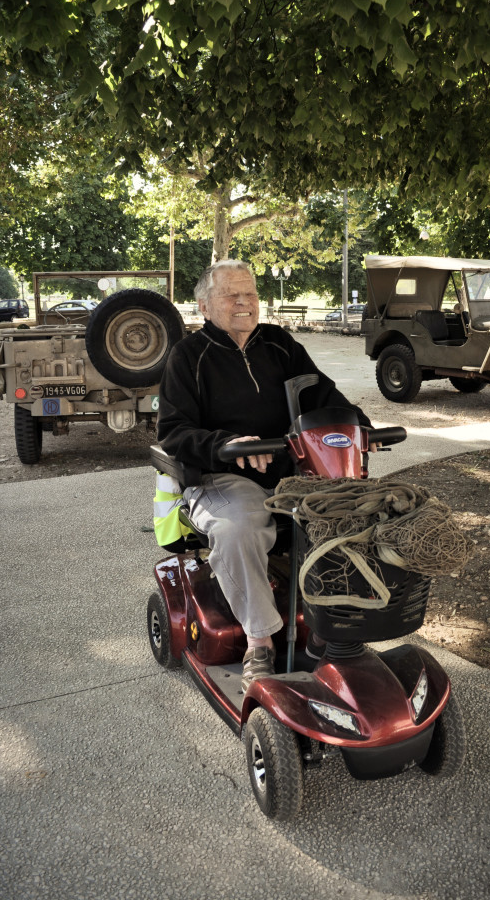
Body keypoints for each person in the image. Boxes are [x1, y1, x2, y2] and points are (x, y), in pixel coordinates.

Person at [157, 259, 374, 690]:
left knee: (357, 512)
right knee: (240, 525)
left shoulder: (279, 344)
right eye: (231, 295)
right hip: (222, 478)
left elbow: (323, 396)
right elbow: (174, 432)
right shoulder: (187, 357)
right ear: (204, 305)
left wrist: (361, 426)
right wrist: (226, 444)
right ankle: (259, 642)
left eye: (250, 294)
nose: (244, 303)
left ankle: (337, 628)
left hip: (290, 472)